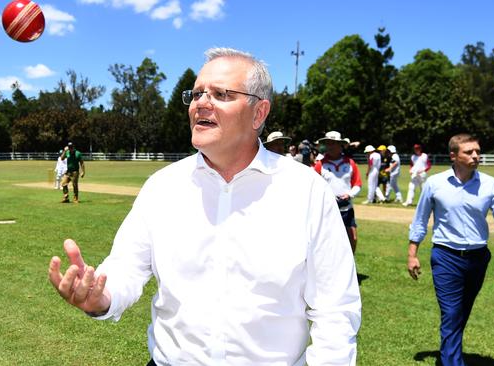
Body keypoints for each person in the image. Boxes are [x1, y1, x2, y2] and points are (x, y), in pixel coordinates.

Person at [49, 47, 361, 365]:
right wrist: (101, 297)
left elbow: (335, 309)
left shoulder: (305, 190)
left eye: (221, 93)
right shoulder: (162, 187)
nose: (201, 103)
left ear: (259, 113)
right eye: (197, 93)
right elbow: (127, 267)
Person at [407, 133, 494, 366]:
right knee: (451, 313)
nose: (476, 155)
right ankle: (452, 362)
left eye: (477, 151)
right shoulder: (435, 184)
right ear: (453, 156)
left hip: (478, 258)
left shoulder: (491, 185)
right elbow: (420, 220)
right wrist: (412, 254)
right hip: (445, 257)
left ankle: (451, 354)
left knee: (461, 313)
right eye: (469, 152)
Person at [314, 131, 363, 253]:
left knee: (353, 238)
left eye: (333, 143)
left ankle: (350, 268)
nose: (330, 146)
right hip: (327, 210)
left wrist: (350, 194)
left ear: (340, 145)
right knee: (329, 241)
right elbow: (314, 187)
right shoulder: (320, 165)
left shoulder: (350, 163)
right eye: (328, 143)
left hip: (347, 209)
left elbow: (357, 184)